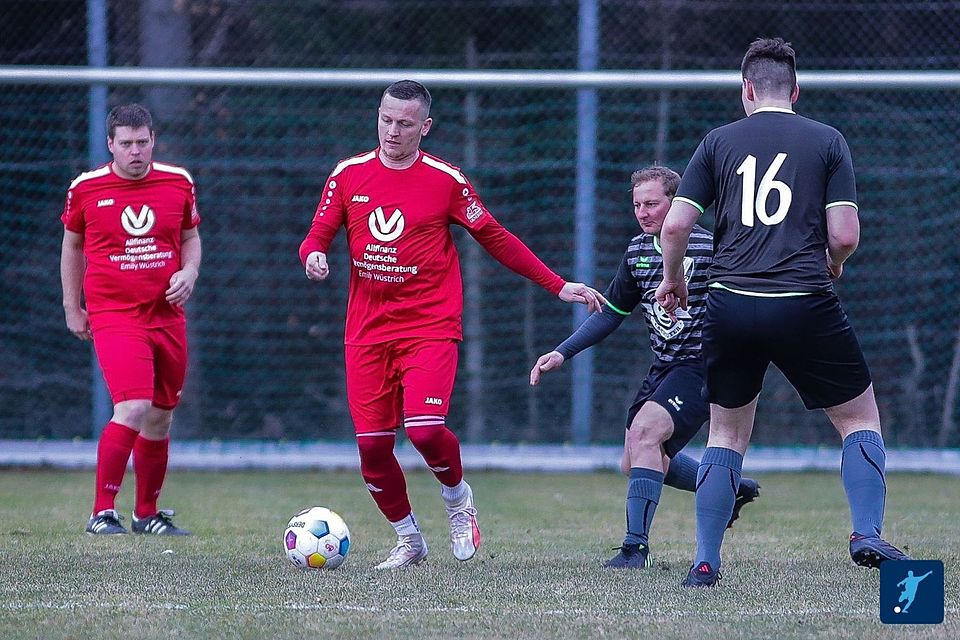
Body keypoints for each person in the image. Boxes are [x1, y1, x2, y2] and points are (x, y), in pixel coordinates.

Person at [299, 80, 606, 570]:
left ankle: (459, 502)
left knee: (424, 431)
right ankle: (409, 539)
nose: (393, 131)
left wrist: (557, 285)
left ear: (426, 127)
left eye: (404, 123)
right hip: (366, 332)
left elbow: (495, 237)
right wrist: (314, 254)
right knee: (374, 451)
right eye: (386, 119)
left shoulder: (446, 180)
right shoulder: (348, 175)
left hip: (429, 325)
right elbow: (317, 234)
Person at [655, 37, 910, 587]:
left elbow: (674, 225)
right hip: (802, 301)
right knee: (858, 420)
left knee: (725, 435)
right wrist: (831, 262)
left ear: (746, 89)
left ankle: (705, 562)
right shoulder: (826, 140)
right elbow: (845, 235)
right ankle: (866, 532)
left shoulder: (718, 141)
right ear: (795, 90)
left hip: (730, 302)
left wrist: (674, 279)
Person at [529, 166, 759, 569]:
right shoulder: (637, 252)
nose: (643, 212)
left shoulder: (711, 248)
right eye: (637, 204)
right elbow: (612, 313)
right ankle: (730, 486)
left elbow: (744, 299)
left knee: (646, 434)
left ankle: (635, 549)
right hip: (665, 367)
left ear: (677, 204)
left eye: (652, 203)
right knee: (635, 459)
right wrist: (562, 352)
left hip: (703, 368)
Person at [60, 103, 200, 536]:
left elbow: (191, 238)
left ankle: (146, 514)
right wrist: (72, 306)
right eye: (126, 144)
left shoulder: (178, 182)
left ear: (153, 140)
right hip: (116, 315)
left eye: (142, 142)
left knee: (160, 415)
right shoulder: (86, 188)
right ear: (110, 145)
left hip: (167, 315)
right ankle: (102, 511)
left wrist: (189, 272)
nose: (135, 152)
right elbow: (72, 247)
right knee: (134, 406)